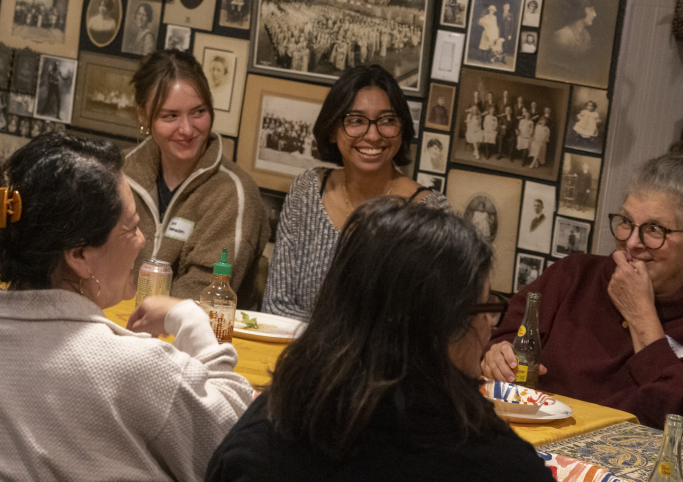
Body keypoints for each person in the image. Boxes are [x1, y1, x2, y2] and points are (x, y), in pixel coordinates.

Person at [0, 133, 254, 481]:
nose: (142, 241)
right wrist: (189, 317)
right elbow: (236, 446)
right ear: (79, 255)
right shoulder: (139, 369)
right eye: (132, 228)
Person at [207, 197, 553, 481]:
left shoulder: (272, 423)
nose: (489, 328)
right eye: (486, 308)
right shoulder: (496, 464)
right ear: (438, 326)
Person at [482, 148, 683, 437]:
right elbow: (503, 340)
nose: (631, 242)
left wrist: (641, 316)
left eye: (655, 229)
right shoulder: (573, 274)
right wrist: (496, 357)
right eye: (626, 222)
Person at [262, 65, 446, 321]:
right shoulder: (306, 191)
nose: (373, 135)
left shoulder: (431, 213)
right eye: (356, 120)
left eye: (387, 120)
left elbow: (431, 326)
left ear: (402, 129)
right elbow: (276, 306)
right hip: (301, 357)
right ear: (332, 130)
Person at [124, 51, 269, 304]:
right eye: (170, 116)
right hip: (111, 324)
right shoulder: (117, 173)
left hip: (189, 337)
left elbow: (205, 291)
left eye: (198, 112)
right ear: (143, 116)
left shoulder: (234, 192)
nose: (187, 129)